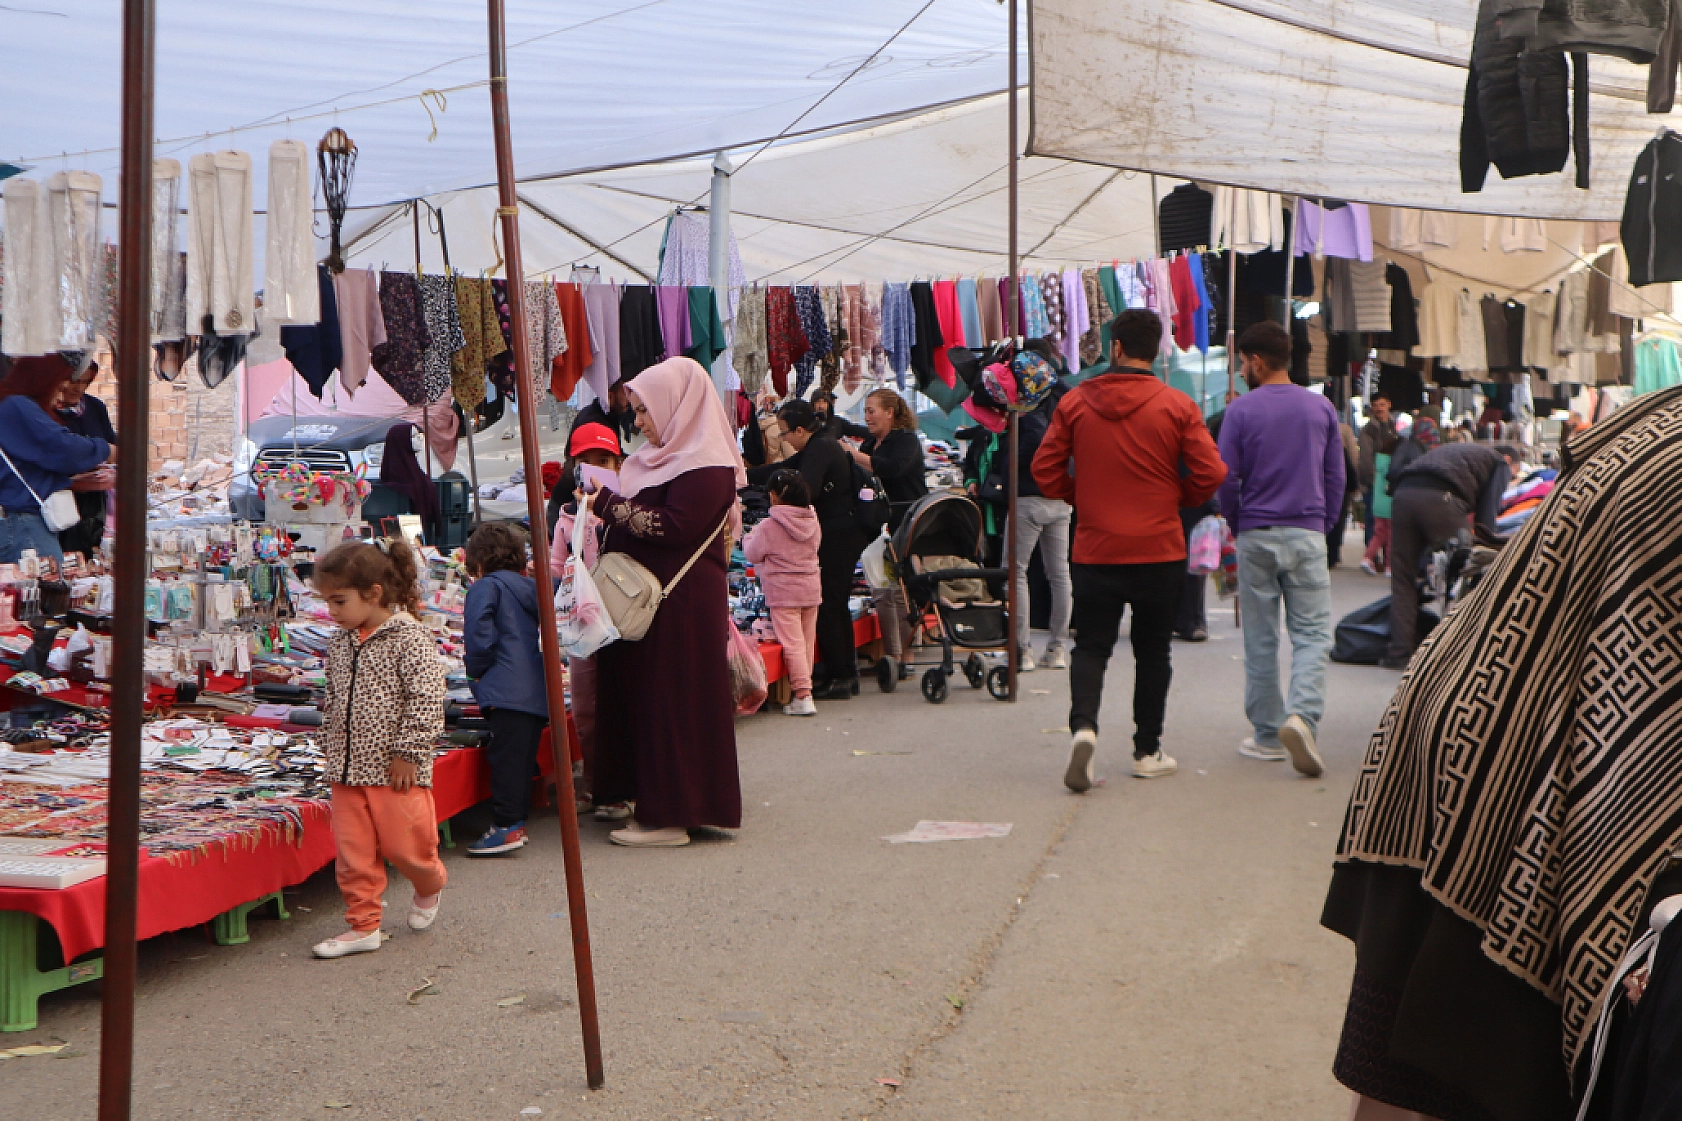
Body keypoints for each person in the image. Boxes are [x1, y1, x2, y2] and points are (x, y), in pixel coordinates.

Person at [1321, 388, 1682, 1121]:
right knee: (1464, 1058)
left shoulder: (1663, 417)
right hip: (1518, 774)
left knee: (1408, 1059)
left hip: (1462, 723)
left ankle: (1392, 640)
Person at [1032, 309, 1226, 790]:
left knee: (1092, 645)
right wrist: (1175, 498)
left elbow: (1045, 470)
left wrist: (1084, 496)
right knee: (1154, 651)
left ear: (1115, 347)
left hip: (1096, 547)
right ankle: (1147, 750)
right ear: (1156, 349)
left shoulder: (1075, 402)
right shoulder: (1178, 405)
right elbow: (1211, 473)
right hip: (1159, 547)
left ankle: (1084, 728)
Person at [589, 356, 744, 847]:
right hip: (651, 607)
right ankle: (657, 802)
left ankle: (671, 816)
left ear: (677, 405)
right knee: (651, 700)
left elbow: (674, 526)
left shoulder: (706, 463)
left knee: (671, 704)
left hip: (680, 609)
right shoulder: (662, 457)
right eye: (634, 412)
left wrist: (608, 506)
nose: (637, 423)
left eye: (643, 411)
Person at [309, 537, 448, 958]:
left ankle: (430, 883)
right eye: (328, 602)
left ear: (373, 594)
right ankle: (363, 925)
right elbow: (333, 697)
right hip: (346, 769)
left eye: (339, 601)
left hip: (394, 768)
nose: (331, 612)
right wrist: (329, 745)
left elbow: (426, 698)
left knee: (408, 848)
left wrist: (409, 752)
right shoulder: (340, 642)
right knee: (353, 856)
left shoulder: (410, 638)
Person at [1218, 320, 1343, 779]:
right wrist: (1323, 525)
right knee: (1312, 634)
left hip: (1256, 532)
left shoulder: (1241, 411)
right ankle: (1302, 717)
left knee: (1261, 636)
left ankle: (1268, 735)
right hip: (1307, 530)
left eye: (1243, 363)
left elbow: (1226, 477)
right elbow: (1337, 478)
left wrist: (1236, 521)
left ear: (1256, 361)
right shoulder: (1321, 408)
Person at [747, 398, 865, 699]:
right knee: (831, 603)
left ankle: (840, 674)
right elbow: (785, 467)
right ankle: (838, 672)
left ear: (800, 430)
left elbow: (803, 486)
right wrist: (742, 476)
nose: (784, 439)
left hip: (840, 533)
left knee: (831, 603)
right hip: (839, 532)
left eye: (784, 433)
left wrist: (774, 498)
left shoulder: (821, 448)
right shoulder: (818, 446)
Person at [549, 421, 626, 821]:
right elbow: (556, 564)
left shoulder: (626, 511)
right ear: (573, 468)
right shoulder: (565, 519)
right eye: (586, 462)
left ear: (618, 464)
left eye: (604, 460)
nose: (595, 469)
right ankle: (595, 781)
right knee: (584, 709)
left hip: (625, 626)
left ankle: (616, 787)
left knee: (620, 707)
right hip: (584, 628)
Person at [1381, 440, 1516, 669]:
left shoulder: (1461, 452)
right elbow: (1487, 517)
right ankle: (1457, 654)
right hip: (1442, 498)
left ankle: (1399, 652)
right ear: (1510, 460)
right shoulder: (1499, 463)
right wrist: (1487, 547)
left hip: (1403, 495)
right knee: (1465, 571)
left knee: (1403, 578)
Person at [462, 522, 549, 856]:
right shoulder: (531, 588)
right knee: (522, 757)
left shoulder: (486, 588)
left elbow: (478, 636)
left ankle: (506, 825)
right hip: (534, 687)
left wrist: (477, 673)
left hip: (505, 685)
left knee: (506, 760)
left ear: (478, 560)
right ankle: (516, 820)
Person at [0, 356, 115, 566]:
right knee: (50, 593)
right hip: (21, 523)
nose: (60, 395)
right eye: (59, 387)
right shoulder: (15, 406)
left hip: (18, 521)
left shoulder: (12, 405)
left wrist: (70, 479)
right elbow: (62, 448)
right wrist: (106, 449)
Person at [844, 388, 928, 672]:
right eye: (865, 411)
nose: (867, 417)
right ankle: (892, 655)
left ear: (890, 412)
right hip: (878, 525)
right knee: (882, 588)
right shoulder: (871, 443)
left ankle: (907, 654)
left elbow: (893, 469)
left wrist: (854, 456)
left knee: (902, 587)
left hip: (906, 521)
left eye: (872, 411)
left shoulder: (905, 441)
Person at [1004, 349, 1072, 671]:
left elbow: (1025, 450)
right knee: (1059, 575)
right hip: (1061, 498)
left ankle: (1022, 650)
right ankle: (1057, 649)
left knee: (1015, 572)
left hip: (1028, 497)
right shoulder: (1067, 398)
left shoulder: (1026, 406)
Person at [742, 470, 823, 716]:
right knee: (806, 642)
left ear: (775, 497)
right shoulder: (813, 520)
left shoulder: (769, 525)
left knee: (793, 644)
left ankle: (803, 695)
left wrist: (748, 537)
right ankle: (804, 688)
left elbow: (752, 554)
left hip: (783, 591)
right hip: (810, 587)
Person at [55, 361, 117, 560]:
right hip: (58, 507)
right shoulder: (45, 411)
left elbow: (113, 449)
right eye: (74, 381)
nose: (78, 388)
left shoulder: (95, 408)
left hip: (94, 506)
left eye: (85, 382)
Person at [377, 421, 439, 536]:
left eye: (419, 435)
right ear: (402, 441)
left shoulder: (414, 467)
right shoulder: (396, 472)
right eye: (414, 436)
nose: (419, 439)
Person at [1356, 395, 1396, 547]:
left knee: (1387, 521)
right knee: (1373, 520)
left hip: (1389, 481)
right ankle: (1372, 557)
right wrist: (1371, 480)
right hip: (1374, 481)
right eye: (1376, 405)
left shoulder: (1394, 426)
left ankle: (1384, 556)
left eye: (1382, 405)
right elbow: (1365, 458)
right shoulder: (1368, 430)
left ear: (1389, 405)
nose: (1379, 408)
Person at [1360, 431, 1399, 576]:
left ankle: (1367, 557)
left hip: (1378, 506)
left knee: (1378, 535)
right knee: (1391, 537)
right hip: (1390, 505)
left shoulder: (1379, 462)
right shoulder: (1394, 464)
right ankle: (1389, 566)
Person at [1328, 415, 1360, 566]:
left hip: (1319, 486)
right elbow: (1352, 457)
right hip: (1338, 485)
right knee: (1337, 518)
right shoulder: (1342, 434)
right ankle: (1333, 554)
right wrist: (1353, 485)